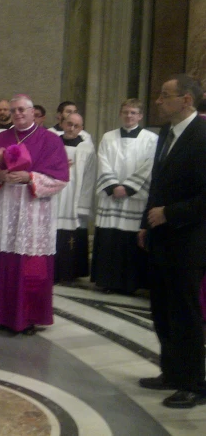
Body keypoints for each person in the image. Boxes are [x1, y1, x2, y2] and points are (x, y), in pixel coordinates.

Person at [137, 74, 206, 409]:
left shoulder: (203, 135)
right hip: (161, 235)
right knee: (162, 308)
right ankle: (171, 372)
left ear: (187, 100)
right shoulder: (165, 133)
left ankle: (193, 383)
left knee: (185, 311)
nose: (159, 101)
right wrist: (145, 223)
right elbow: (157, 185)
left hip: (189, 238)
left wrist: (170, 214)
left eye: (165, 95)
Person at [0, 94, 69, 334]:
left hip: (35, 212)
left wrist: (29, 177)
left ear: (33, 112)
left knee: (31, 266)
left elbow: (61, 179)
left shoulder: (50, 140)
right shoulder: (0, 138)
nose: (18, 114)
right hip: (6, 208)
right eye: (13, 111)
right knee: (4, 261)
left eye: (22, 110)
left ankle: (29, 317)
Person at [90, 99, 157, 293]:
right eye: (126, 112)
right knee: (110, 238)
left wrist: (128, 187)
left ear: (140, 116)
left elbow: (149, 165)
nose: (129, 115)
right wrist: (112, 186)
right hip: (111, 197)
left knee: (129, 240)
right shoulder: (108, 137)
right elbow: (102, 162)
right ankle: (107, 281)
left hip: (133, 198)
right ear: (120, 114)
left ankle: (131, 283)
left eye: (133, 112)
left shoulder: (151, 139)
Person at [54, 112, 96, 283]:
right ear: (62, 123)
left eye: (76, 126)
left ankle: (70, 271)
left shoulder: (87, 148)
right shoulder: (52, 143)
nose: (71, 128)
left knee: (71, 236)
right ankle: (53, 269)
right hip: (54, 194)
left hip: (74, 197)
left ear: (81, 128)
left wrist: (83, 205)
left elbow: (89, 177)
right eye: (69, 124)